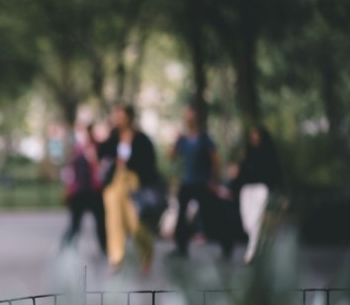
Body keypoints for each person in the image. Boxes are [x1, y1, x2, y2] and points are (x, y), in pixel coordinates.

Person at [98, 104, 159, 274]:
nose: (118, 120)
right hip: (114, 185)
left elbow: (149, 164)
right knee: (113, 220)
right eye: (116, 116)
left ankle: (147, 252)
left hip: (133, 186)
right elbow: (101, 154)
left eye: (121, 116)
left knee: (135, 224)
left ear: (129, 118)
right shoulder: (113, 137)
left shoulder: (141, 139)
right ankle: (116, 258)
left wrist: (129, 165)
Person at [168, 103, 231, 258]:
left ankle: (226, 245)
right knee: (182, 215)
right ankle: (181, 247)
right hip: (188, 182)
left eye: (190, 115)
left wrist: (214, 181)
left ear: (196, 117)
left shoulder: (204, 138)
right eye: (186, 115)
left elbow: (215, 160)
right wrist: (175, 141)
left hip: (203, 183)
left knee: (210, 214)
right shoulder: (183, 139)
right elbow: (171, 156)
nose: (187, 118)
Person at [230, 124, 282, 263]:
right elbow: (241, 174)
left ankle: (251, 253)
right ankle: (259, 251)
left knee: (256, 221)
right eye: (252, 134)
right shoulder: (247, 153)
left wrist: (276, 193)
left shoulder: (268, 153)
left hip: (260, 189)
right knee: (247, 223)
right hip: (246, 190)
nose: (254, 137)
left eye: (256, 134)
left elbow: (275, 172)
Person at [61, 124, 106, 253]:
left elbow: (101, 170)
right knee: (75, 225)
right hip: (79, 193)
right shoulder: (77, 150)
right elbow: (70, 173)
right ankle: (66, 249)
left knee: (100, 223)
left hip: (94, 192)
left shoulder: (98, 149)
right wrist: (69, 191)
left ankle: (105, 249)